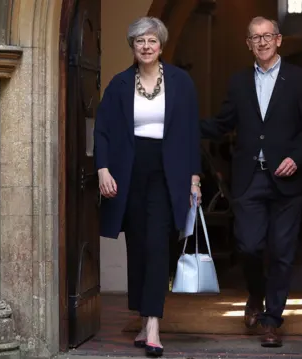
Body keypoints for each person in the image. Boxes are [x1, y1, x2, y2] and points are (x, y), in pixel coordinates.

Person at [200, 16, 302, 347]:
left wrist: (296, 158)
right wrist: (184, 122)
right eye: (255, 37)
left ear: (279, 39)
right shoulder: (238, 82)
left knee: (283, 253)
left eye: (267, 36)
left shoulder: (299, 80)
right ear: (248, 43)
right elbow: (223, 123)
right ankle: (256, 294)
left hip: (288, 181)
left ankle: (271, 321)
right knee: (249, 246)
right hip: (249, 179)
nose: (262, 42)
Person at [94, 16, 202, 357]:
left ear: (161, 45)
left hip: (167, 171)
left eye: (151, 40)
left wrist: (194, 179)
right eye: (139, 40)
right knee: (138, 246)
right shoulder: (120, 84)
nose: (145, 46)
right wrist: (102, 169)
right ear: (132, 46)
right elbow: (103, 130)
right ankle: (143, 317)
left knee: (158, 244)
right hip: (128, 171)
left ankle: (154, 324)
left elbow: (190, 134)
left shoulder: (182, 83)